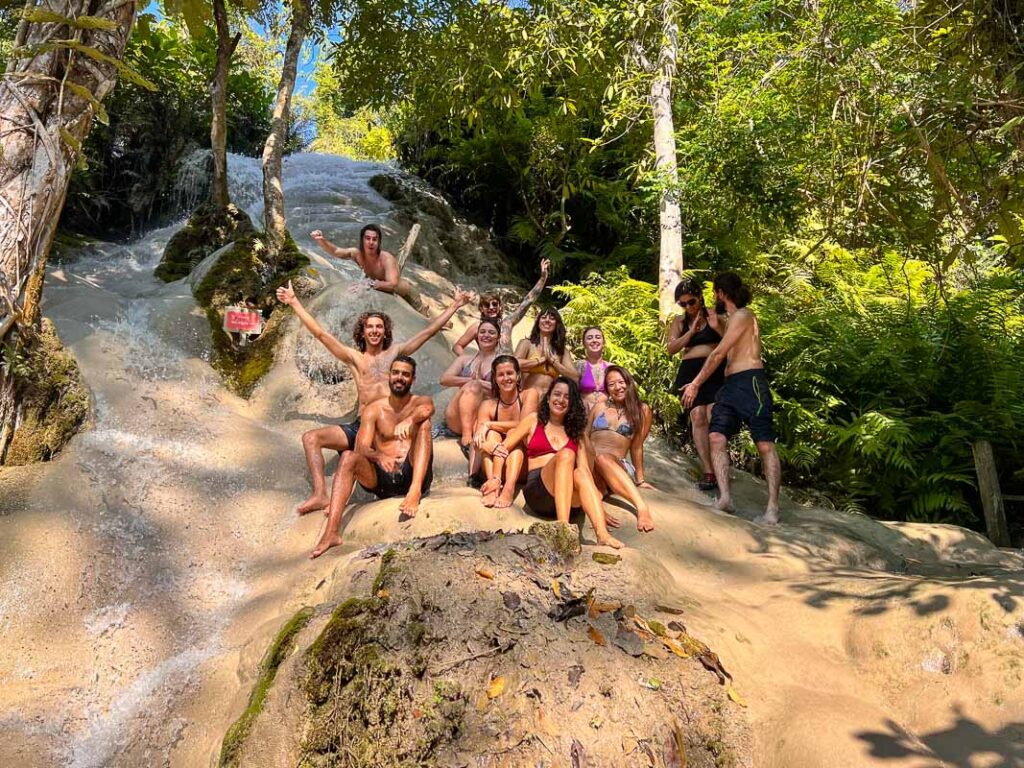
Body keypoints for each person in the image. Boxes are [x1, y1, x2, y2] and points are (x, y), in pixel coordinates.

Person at [276, 281, 471, 515]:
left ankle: (404, 488)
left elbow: (428, 332)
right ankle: (319, 494)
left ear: (385, 330)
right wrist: (294, 302)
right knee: (311, 438)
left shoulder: (396, 353)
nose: (375, 331)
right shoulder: (354, 358)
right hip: (361, 424)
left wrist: (456, 305)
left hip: (387, 424)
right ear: (363, 330)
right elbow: (320, 334)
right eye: (370, 327)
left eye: (379, 327)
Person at [310, 356, 435, 558]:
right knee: (349, 457)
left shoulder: (420, 402)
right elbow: (361, 447)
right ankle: (331, 532)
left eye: (405, 374)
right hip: (383, 477)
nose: (400, 378)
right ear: (389, 376)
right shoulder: (375, 409)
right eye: (396, 373)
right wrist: (378, 456)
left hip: (413, 472)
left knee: (425, 424)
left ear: (413, 379)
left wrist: (410, 420)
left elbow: (427, 409)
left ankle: (415, 492)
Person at [681, 272, 781, 524]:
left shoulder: (744, 315)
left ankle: (772, 509)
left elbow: (718, 353)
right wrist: (715, 325)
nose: (713, 297)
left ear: (722, 293)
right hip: (730, 385)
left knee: (764, 444)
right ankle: (725, 498)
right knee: (716, 435)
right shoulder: (731, 320)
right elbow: (727, 341)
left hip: (751, 382)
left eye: (715, 292)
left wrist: (695, 384)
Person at [494, 377, 623, 548]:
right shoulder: (534, 420)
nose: (561, 400)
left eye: (567, 397)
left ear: (572, 404)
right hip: (539, 492)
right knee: (567, 454)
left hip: (571, 501)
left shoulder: (577, 433)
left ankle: (602, 535)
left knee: (580, 471)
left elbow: (585, 472)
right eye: (557, 394)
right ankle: (562, 530)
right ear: (548, 398)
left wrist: (596, 506)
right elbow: (503, 448)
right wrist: (495, 478)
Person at [667, 278, 727, 491]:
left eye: (691, 302)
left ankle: (722, 468)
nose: (688, 307)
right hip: (689, 371)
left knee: (714, 415)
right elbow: (672, 348)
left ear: (700, 297)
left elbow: (729, 340)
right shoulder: (679, 322)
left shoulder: (714, 315)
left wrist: (714, 326)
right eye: (683, 304)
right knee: (697, 416)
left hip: (714, 371)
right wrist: (691, 332)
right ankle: (708, 471)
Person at [586, 366, 654, 531]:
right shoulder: (599, 407)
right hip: (592, 463)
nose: (617, 387)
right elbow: (584, 438)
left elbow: (636, 447)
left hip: (618, 465)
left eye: (621, 382)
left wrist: (640, 479)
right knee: (593, 466)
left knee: (603, 459)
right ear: (607, 389)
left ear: (628, 382)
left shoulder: (641, 410)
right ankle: (598, 508)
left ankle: (642, 508)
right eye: (611, 384)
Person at [473, 355, 539, 507]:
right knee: (491, 435)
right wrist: (488, 445)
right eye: (500, 374)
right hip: (493, 465)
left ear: (518, 376)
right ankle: (493, 485)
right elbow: (478, 442)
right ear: (495, 379)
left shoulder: (529, 395)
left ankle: (508, 487)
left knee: (513, 433)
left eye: (510, 373)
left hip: (520, 467)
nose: (506, 378)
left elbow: (524, 424)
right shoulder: (488, 405)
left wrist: (490, 424)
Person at [310, 224, 423, 310]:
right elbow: (336, 251)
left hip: (408, 294)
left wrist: (367, 284)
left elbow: (392, 285)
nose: (371, 242)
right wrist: (321, 240)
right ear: (362, 240)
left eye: (374, 239)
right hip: (379, 287)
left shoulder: (387, 258)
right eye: (367, 238)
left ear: (379, 242)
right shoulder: (356, 254)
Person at [452, 258, 551, 354]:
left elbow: (528, 300)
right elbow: (457, 346)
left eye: (494, 304)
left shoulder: (507, 322)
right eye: (487, 305)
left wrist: (543, 278)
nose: (491, 307)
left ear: (500, 306)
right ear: (481, 308)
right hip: (490, 369)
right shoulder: (477, 327)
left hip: (510, 367)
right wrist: (468, 363)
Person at [439, 318, 501, 454]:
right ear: (477, 336)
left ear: (498, 338)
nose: (486, 335)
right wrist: (469, 380)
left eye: (491, 333)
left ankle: (471, 437)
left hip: (484, 418)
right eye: (482, 332)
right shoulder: (464, 359)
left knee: (474, 385)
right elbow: (444, 379)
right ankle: (467, 439)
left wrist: (479, 382)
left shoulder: (501, 362)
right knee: (472, 386)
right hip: (458, 418)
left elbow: (505, 390)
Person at [515, 308, 577, 394]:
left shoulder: (562, 351)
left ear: (557, 324)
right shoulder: (526, 343)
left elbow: (575, 377)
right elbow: (513, 364)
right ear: (538, 322)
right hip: (528, 396)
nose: (547, 320)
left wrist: (554, 362)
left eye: (552, 318)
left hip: (550, 400)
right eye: (543, 317)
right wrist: (540, 360)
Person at [575, 326, 611, 410]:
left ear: (603, 342)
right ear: (584, 343)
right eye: (589, 338)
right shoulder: (578, 366)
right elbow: (571, 393)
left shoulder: (611, 367)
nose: (594, 340)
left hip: (606, 415)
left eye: (598, 337)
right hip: (584, 414)